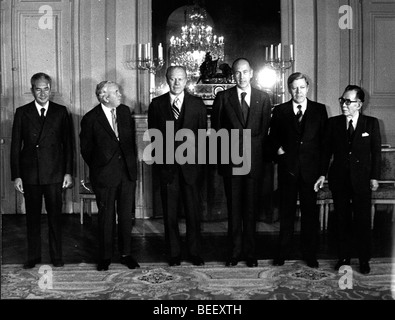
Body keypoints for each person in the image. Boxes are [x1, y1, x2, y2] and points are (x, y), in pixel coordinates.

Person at [211, 58, 272, 268]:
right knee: (234, 209)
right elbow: (217, 132)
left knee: (251, 210)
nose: (241, 76)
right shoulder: (223, 97)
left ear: (252, 73)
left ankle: (251, 253)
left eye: (245, 72)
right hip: (232, 162)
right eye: (237, 73)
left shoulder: (264, 98)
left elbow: (264, 132)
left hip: (254, 162)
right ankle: (235, 252)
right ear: (232, 75)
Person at [314, 85, 381, 274]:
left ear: (359, 104)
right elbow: (326, 152)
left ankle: (364, 259)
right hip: (340, 179)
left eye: (348, 101)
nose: (344, 104)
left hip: (362, 181)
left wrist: (375, 177)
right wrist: (321, 174)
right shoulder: (333, 123)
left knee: (362, 220)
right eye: (342, 100)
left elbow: (376, 153)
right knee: (341, 220)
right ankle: (343, 257)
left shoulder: (371, 124)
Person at [10, 72, 73, 269]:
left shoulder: (61, 111)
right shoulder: (22, 112)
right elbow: (15, 147)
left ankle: (56, 257)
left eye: (46, 88)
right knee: (32, 219)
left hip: (54, 173)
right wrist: (17, 175)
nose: (43, 93)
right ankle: (33, 256)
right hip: (30, 175)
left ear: (50, 89)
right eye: (39, 89)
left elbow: (68, 145)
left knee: (55, 218)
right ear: (32, 90)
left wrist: (68, 172)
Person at [148, 66, 207, 267]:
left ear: (186, 80)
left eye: (180, 79)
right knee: (170, 213)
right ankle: (173, 254)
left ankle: (195, 252)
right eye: (173, 79)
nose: (176, 83)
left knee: (193, 213)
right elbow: (153, 138)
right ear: (167, 80)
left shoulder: (197, 104)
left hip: (191, 168)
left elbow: (202, 139)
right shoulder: (156, 105)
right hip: (168, 169)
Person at [269, 72, 328, 268]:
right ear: (289, 89)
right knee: (286, 214)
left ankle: (309, 254)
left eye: (302, 87)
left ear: (308, 88)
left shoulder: (319, 110)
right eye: (294, 87)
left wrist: (322, 173)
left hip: (311, 173)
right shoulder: (280, 111)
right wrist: (279, 151)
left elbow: (324, 144)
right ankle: (282, 253)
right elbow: (272, 139)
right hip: (289, 170)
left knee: (309, 215)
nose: (298, 91)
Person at [80, 81, 139, 271]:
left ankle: (126, 254)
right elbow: (86, 150)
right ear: (105, 97)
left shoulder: (124, 112)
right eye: (117, 92)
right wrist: (102, 166)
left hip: (127, 174)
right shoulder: (90, 118)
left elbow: (130, 143)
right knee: (106, 217)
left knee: (125, 216)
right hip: (104, 176)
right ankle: (105, 257)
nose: (120, 95)